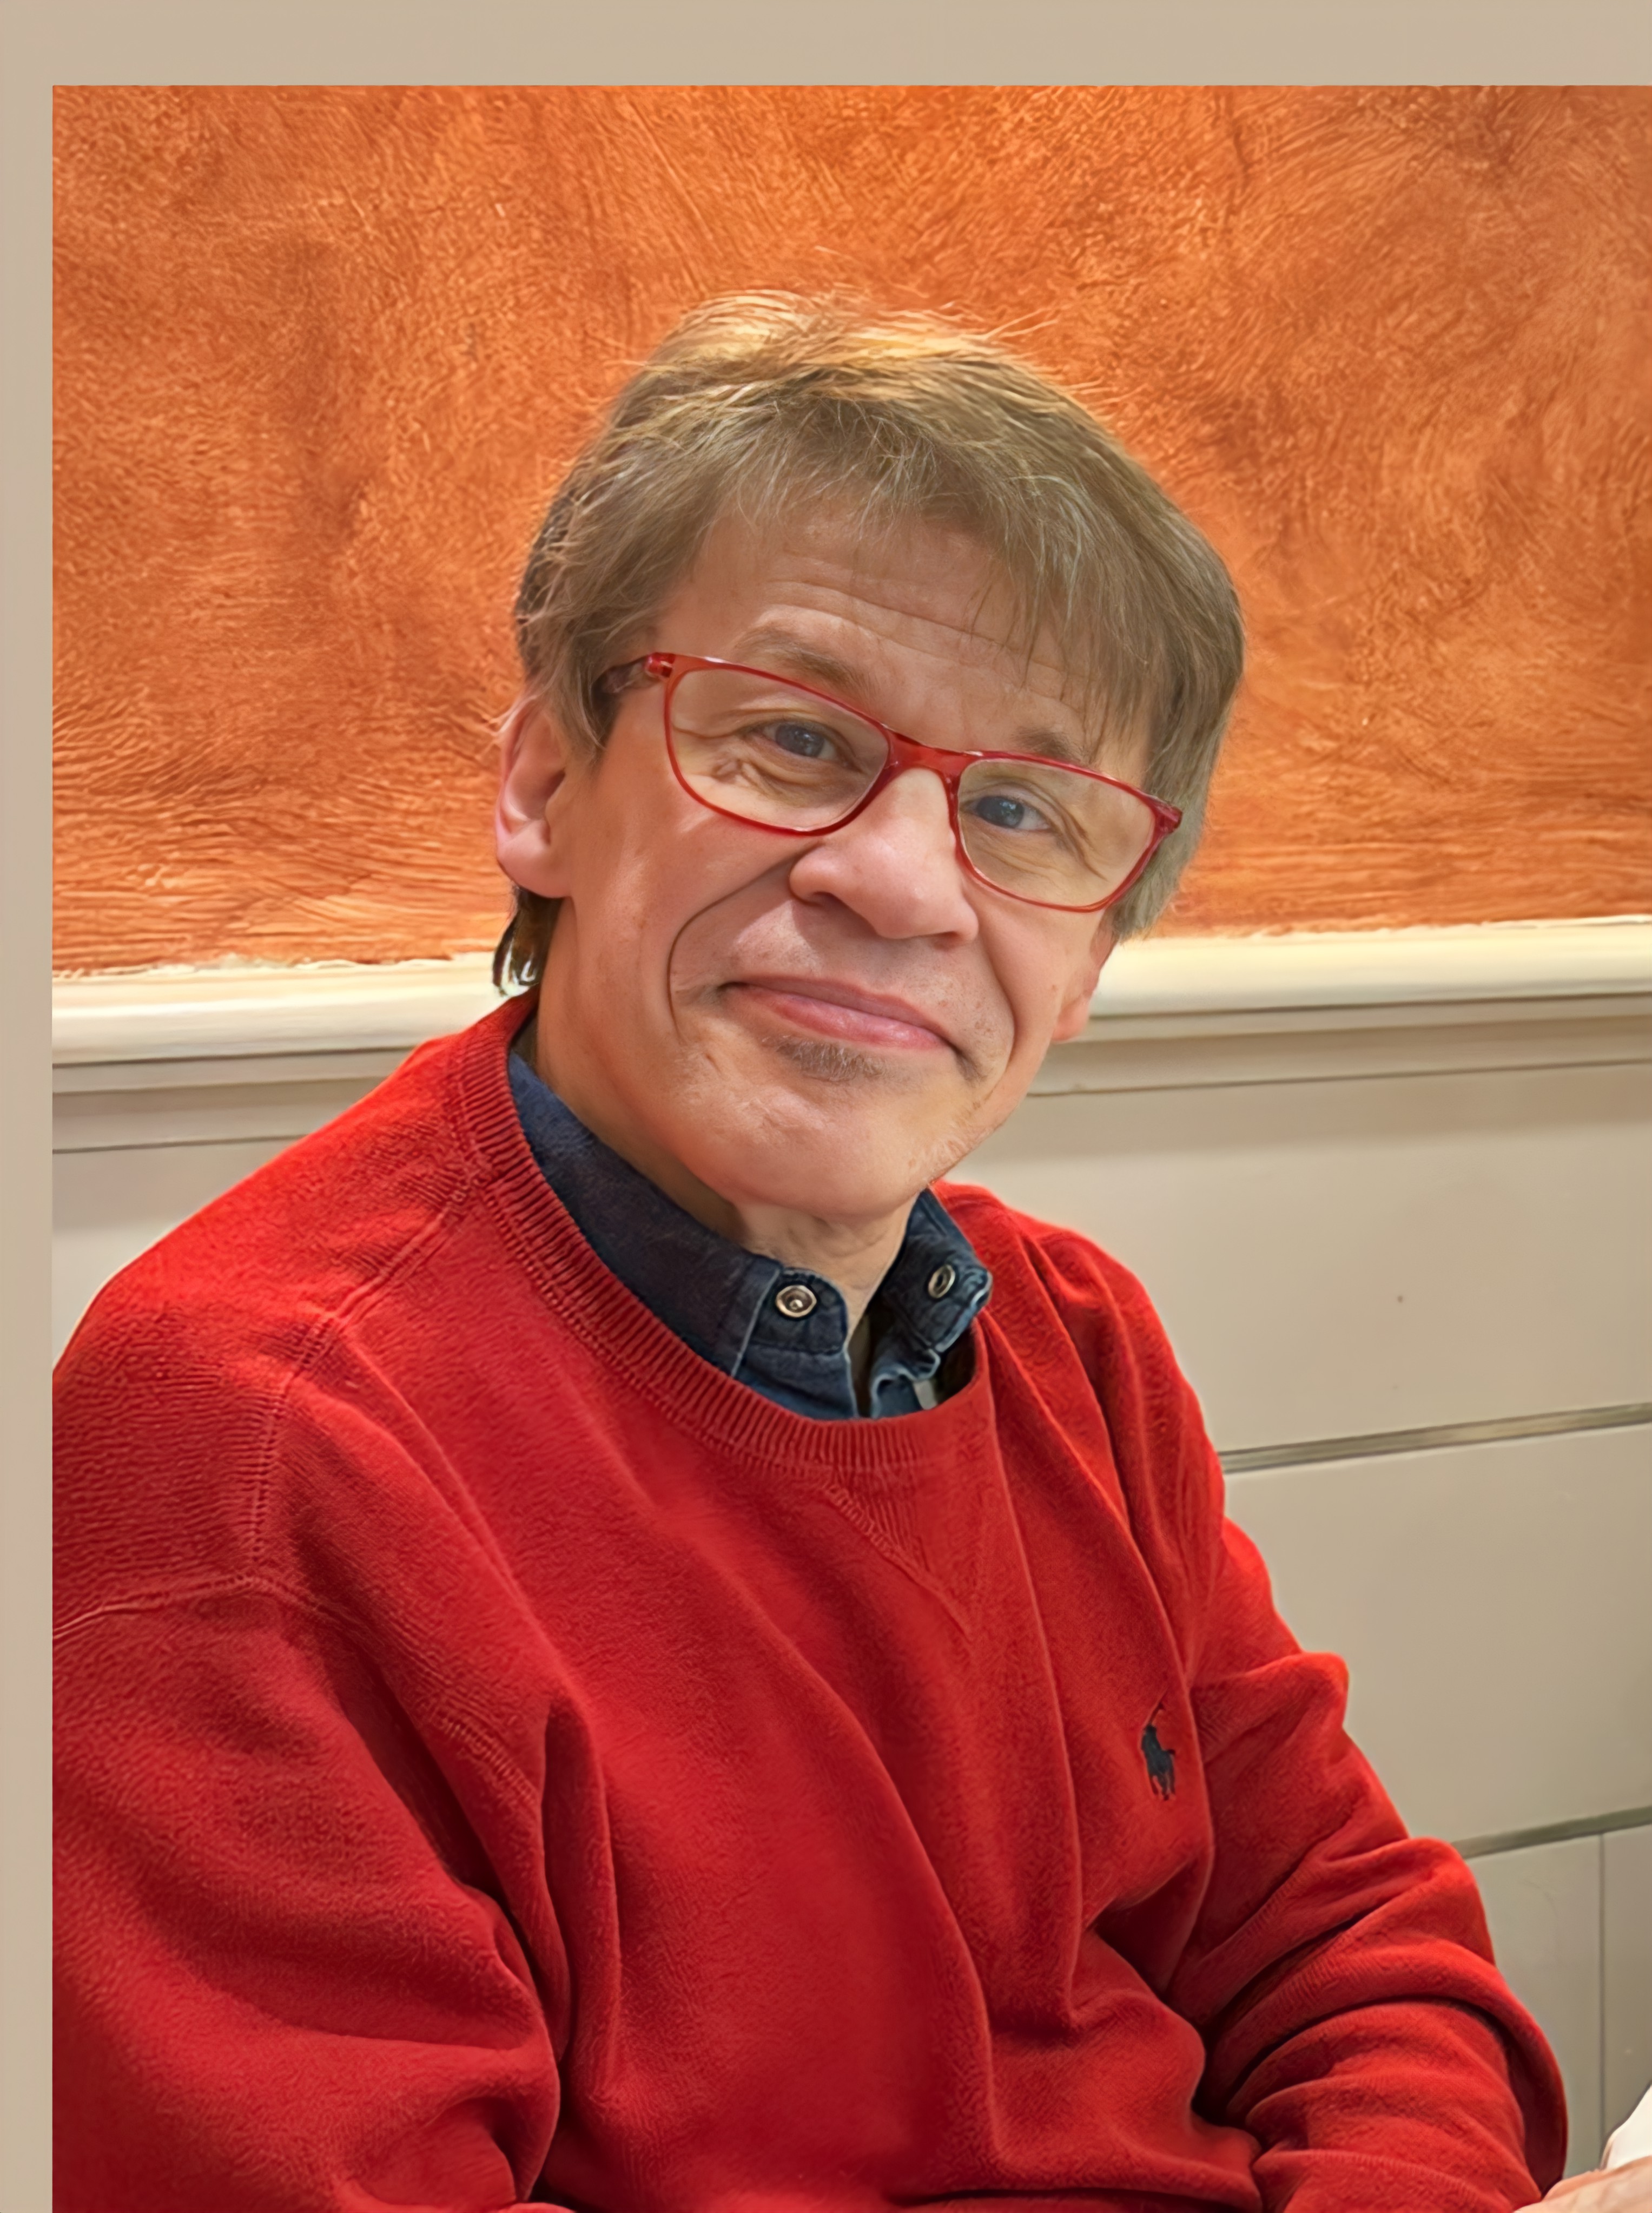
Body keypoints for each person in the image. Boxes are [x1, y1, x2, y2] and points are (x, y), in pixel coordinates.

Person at [54, 295, 1575, 2212]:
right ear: (545, 790)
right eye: (791, 738)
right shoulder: (248, 1438)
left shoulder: (1074, 1344)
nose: (906, 880)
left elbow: (1360, 1955)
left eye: (1022, 809)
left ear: (1089, 962)